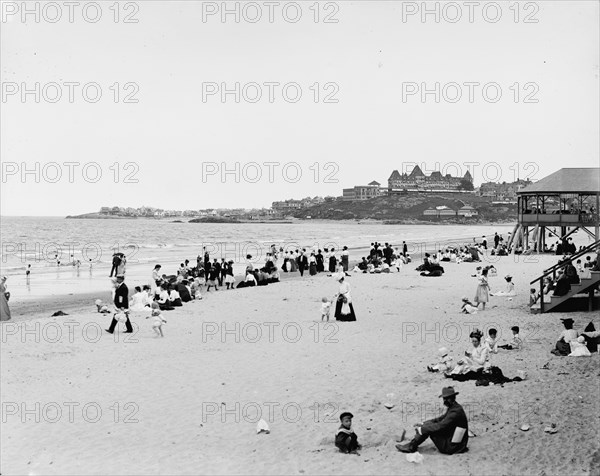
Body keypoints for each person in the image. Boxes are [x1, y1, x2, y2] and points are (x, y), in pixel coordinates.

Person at [396, 386, 468, 455]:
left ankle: (411, 446)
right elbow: (440, 418)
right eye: (444, 398)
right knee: (428, 426)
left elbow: (441, 426)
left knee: (430, 429)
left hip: (453, 447)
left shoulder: (455, 412)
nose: (445, 401)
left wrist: (423, 429)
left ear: (453, 398)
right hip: (455, 441)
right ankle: (412, 445)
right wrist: (423, 423)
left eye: (447, 398)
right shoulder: (454, 407)